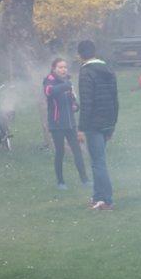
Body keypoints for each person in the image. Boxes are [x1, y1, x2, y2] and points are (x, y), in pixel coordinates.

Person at [76, 39, 119, 210]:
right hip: (108, 122)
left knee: (98, 162)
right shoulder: (108, 69)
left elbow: (86, 103)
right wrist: (112, 125)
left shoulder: (86, 72)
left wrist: (81, 128)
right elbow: (115, 100)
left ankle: (107, 200)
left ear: (80, 55)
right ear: (94, 52)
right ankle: (97, 197)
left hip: (94, 124)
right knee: (97, 160)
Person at [43, 58, 89, 190]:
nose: (63, 70)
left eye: (65, 67)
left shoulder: (68, 81)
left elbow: (73, 100)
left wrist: (75, 106)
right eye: (60, 67)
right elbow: (49, 92)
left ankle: (85, 180)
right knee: (60, 152)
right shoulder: (49, 80)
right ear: (54, 68)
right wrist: (65, 85)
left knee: (77, 151)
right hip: (57, 124)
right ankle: (60, 182)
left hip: (70, 123)